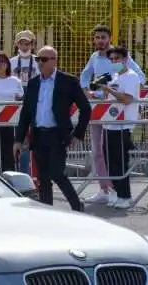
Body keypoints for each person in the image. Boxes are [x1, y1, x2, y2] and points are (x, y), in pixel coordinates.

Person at [14, 46, 91, 212]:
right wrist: (19, 140)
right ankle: (47, 210)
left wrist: (78, 134)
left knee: (56, 172)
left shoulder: (68, 81)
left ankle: (77, 206)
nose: (39, 63)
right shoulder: (33, 83)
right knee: (43, 176)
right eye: (38, 59)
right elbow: (25, 114)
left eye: (43, 59)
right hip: (39, 135)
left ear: (54, 61)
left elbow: (86, 108)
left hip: (58, 134)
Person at [80, 25, 146, 206]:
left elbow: (140, 78)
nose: (100, 40)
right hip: (97, 109)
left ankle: (117, 191)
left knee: (113, 153)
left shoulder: (121, 58)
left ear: (110, 38)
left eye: (103, 37)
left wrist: (117, 89)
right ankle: (104, 189)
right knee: (98, 152)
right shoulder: (94, 57)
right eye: (97, 37)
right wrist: (87, 90)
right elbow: (85, 76)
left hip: (117, 114)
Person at [96, 45, 141, 210]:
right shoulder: (114, 76)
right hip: (110, 124)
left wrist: (109, 90)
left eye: (117, 58)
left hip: (123, 126)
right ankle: (116, 192)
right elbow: (109, 96)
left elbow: (127, 99)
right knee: (110, 162)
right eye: (112, 59)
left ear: (125, 59)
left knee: (120, 162)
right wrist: (98, 93)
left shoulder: (131, 77)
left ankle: (125, 196)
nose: (114, 62)